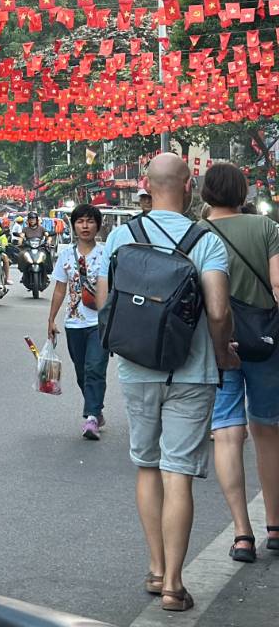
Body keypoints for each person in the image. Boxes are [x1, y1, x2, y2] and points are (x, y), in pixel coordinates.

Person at [93, 153, 236, 613]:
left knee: (147, 465)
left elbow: (102, 301)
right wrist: (221, 351)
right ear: (189, 185)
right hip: (191, 372)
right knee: (179, 474)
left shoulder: (119, 235)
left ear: (145, 186)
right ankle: (175, 585)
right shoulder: (206, 240)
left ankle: (155, 568)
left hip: (136, 368)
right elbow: (217, 311)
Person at [198, 162, 279, 564]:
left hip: (217, 344)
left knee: (228, 433)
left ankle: (242, 533)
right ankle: (276, 527)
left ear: (204, 193)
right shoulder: (266, 229)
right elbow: (278, 285)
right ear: (243, 193)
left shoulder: (196, 234)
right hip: (266, 343)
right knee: (267, 431)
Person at [47, 204, 109, 440]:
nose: (85, 226)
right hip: (74, 323)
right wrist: (51, 319)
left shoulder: (106, 254)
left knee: (95, 368)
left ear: (97, 226)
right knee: (82, 373)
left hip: (99, 323)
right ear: (73, 226)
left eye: (90, 221)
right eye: (80, 221)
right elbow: (60, 290)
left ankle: (91, 417)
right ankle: (96, 409)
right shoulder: (65, 255)